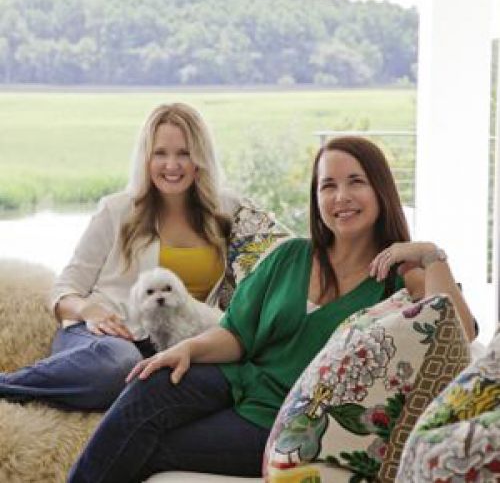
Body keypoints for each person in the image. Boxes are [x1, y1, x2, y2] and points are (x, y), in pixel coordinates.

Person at [68, 136, 475, 482]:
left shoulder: (400, 279)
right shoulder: (290, 256)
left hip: (283, 419)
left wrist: (431, 256)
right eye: (328, 186)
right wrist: (186, 349)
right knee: (148, 387)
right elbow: (235, 333)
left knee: (148, 447)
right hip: (235, 378)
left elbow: (460, 332)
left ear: (381, 191)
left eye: (356, 182)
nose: (341, 197)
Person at [0, 102, 285, 411]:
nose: (171, 165)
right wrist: (88, 310)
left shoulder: (229, 210)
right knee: (119, 366)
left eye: (184, 153)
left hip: (177, 344)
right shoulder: (116, 209)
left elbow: (285, 251)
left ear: (200, 158)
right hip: (101, 339)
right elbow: (64, 290)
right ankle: (8, 385)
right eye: (160, 153)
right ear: (146, 157)